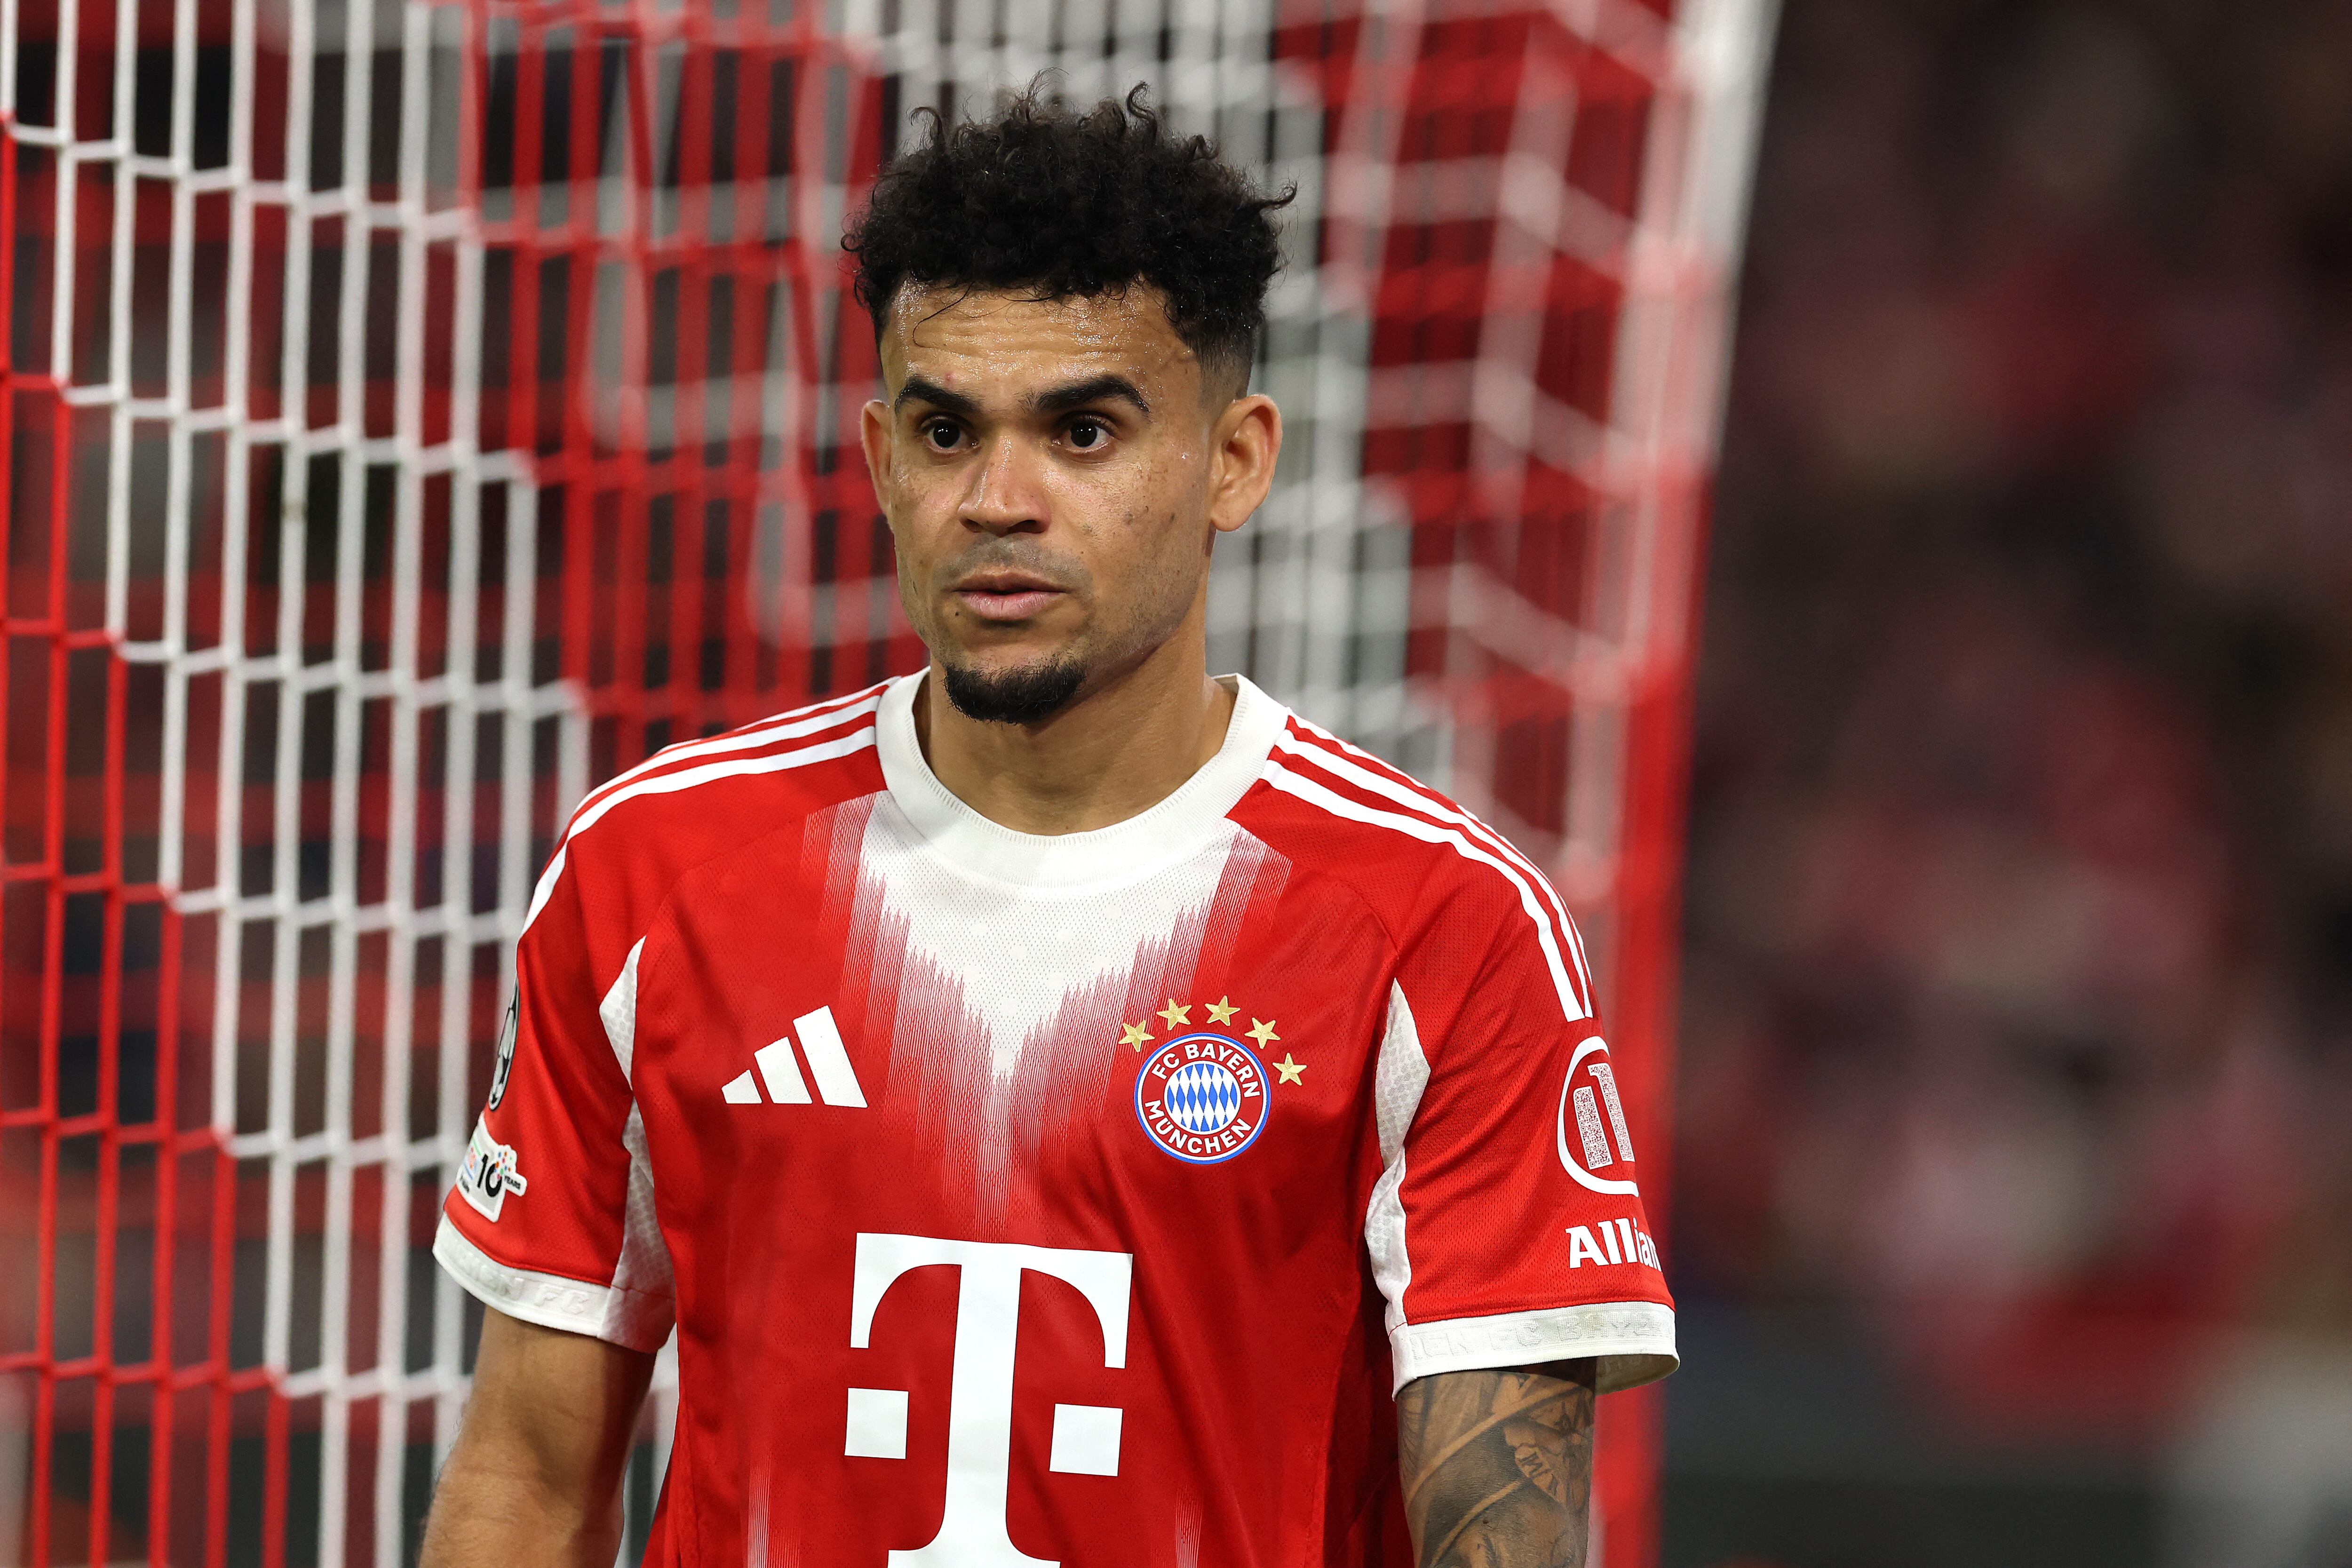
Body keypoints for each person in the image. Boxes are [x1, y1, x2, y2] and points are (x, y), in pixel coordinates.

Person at [418, 87, 1675, 1568]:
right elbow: (525, 1475)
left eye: (1083, 430)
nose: (997, 500)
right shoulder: (657, 871)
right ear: (884, 460)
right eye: (947, 431)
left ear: (1236, 460)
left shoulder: (1441, 924)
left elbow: (1505, 1536)